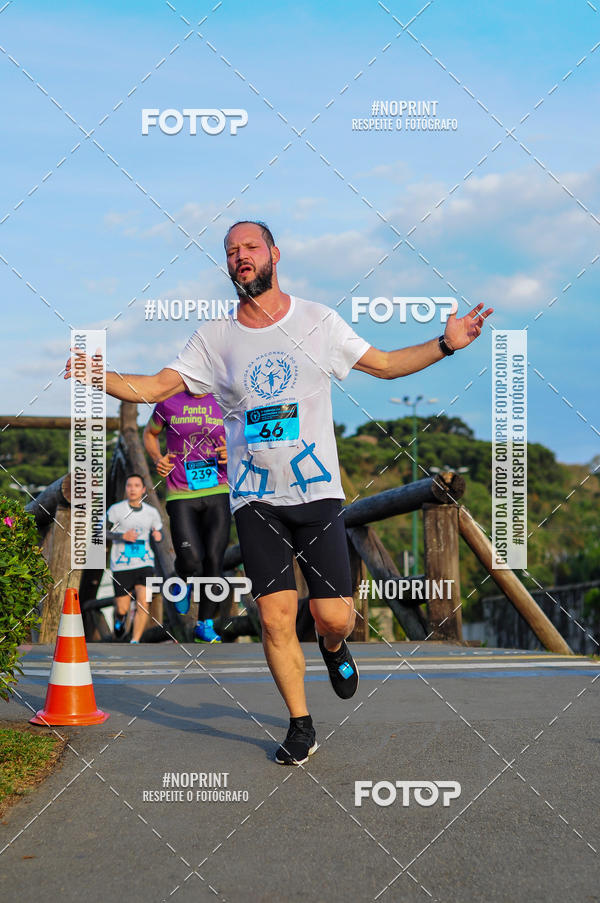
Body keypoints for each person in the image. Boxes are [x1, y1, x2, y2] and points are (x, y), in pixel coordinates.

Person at [66, 220, 492, 764]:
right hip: (254, 500)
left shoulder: (318, 321)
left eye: (250, 247)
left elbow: (385, 366)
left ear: (274, 254)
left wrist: (446, 344)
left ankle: (333, 647)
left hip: (316, 493)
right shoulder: (215, 338)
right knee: (273, 618)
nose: (240, 256)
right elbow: (152, 388)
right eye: (231, 251)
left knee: (334, 617)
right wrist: (98, 375)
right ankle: (300, 724)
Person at [143, 390, 230, 643]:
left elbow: (245, 436)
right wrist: (157, 459)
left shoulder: (225, 398)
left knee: (214, 559)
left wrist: (232, 450)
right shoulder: (168, 401)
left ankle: (204, 624)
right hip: (181, 493)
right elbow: (149, 433)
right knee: (191, 559)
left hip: (219, 489)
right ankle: (181, 579)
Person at [106, 473, 162, 644]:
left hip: (145, 563)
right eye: (129, 485)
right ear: (126, 488)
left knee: (143, 602)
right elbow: (101, 532)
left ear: (143, 490)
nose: (132, 489)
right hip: (121, 565)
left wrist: (158, 535)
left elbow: (158, 531)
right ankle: (120, 619)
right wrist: (122, 536)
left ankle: (135, 640)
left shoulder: (152, 512)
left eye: (137, 486)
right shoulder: (116, 510)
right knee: (122, 608)